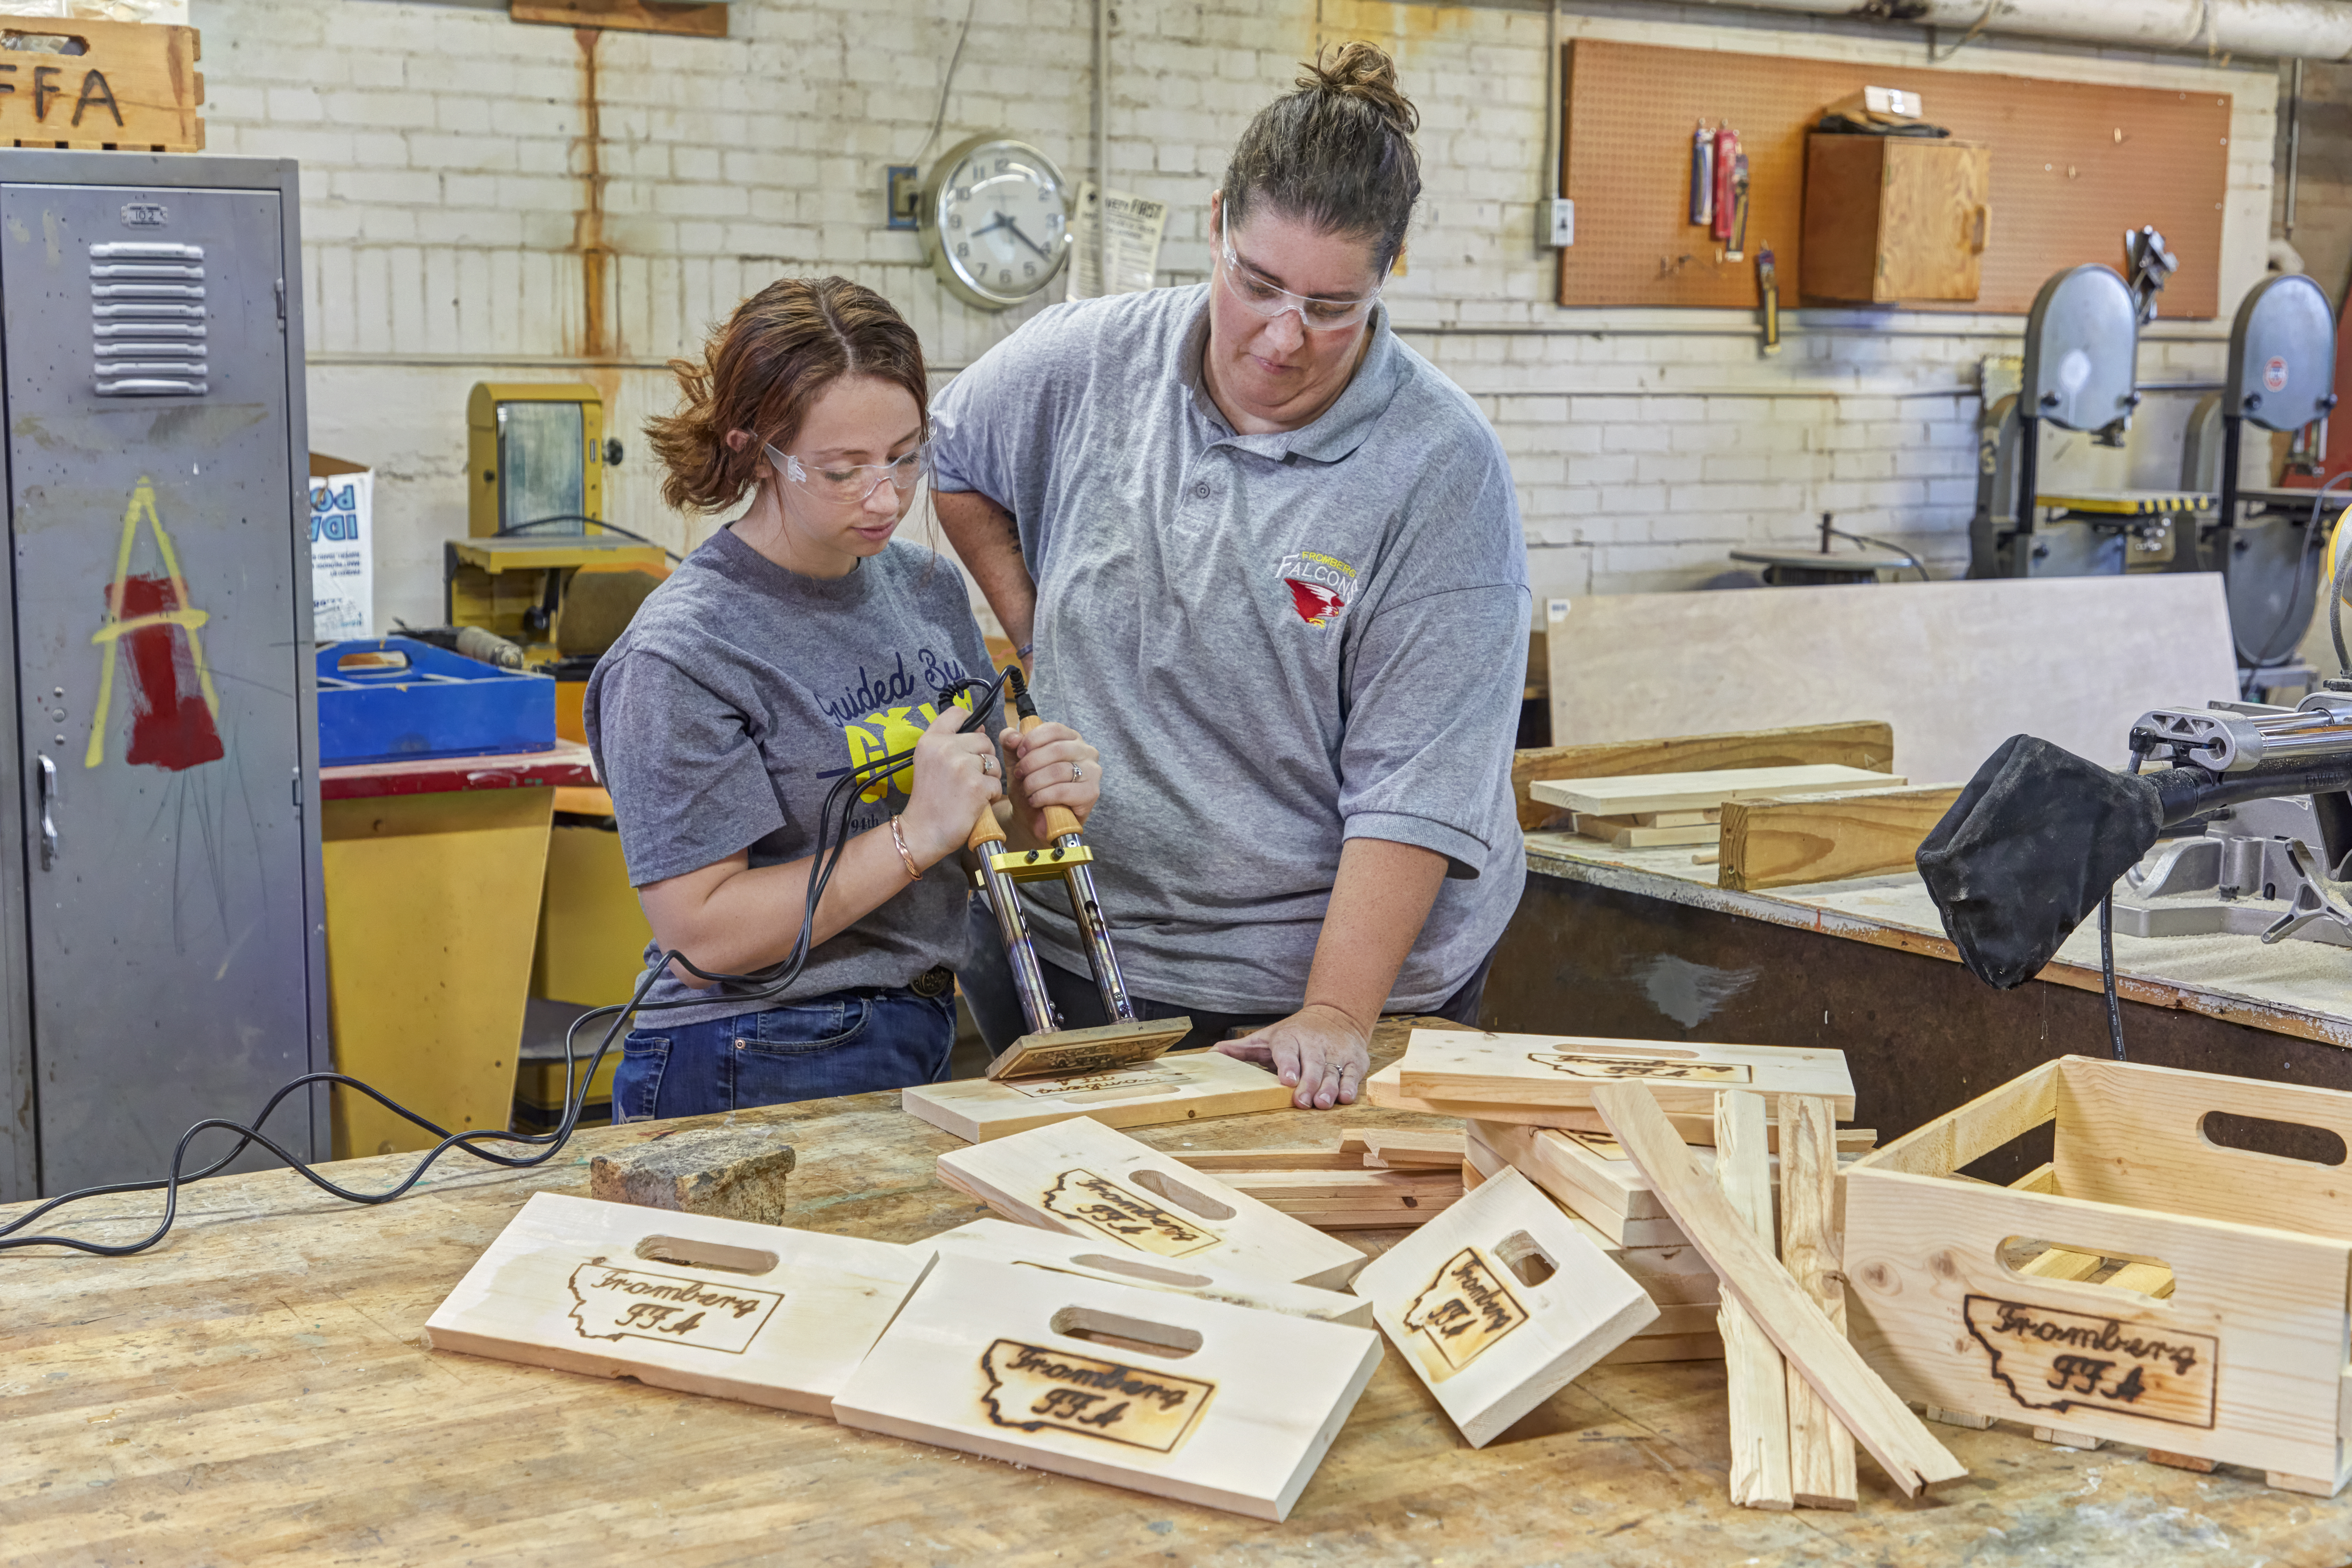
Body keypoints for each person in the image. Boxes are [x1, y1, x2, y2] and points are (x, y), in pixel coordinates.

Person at [933, 43, 1529, 1112]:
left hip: (1324, 985)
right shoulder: (1088, 362)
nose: (1284, 335)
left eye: (1330, 305)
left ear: (1386, 274)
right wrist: (1036, 632)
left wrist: (1339, 1015)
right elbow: (953, 454)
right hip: (1088, 946)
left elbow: (1418, 788)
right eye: (1256, 284)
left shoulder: (1438, 470)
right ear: (1214, 223)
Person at [585, 276, 1102, 1120]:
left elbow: (970, 836)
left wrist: (1036, 802)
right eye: (842, 470)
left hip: (913, 1019)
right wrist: (913, 833)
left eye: (904, 455)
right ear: (756, 450)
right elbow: (702, 936)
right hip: (749, 1048)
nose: (887, 497)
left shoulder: (923, 589)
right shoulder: (683, 651)